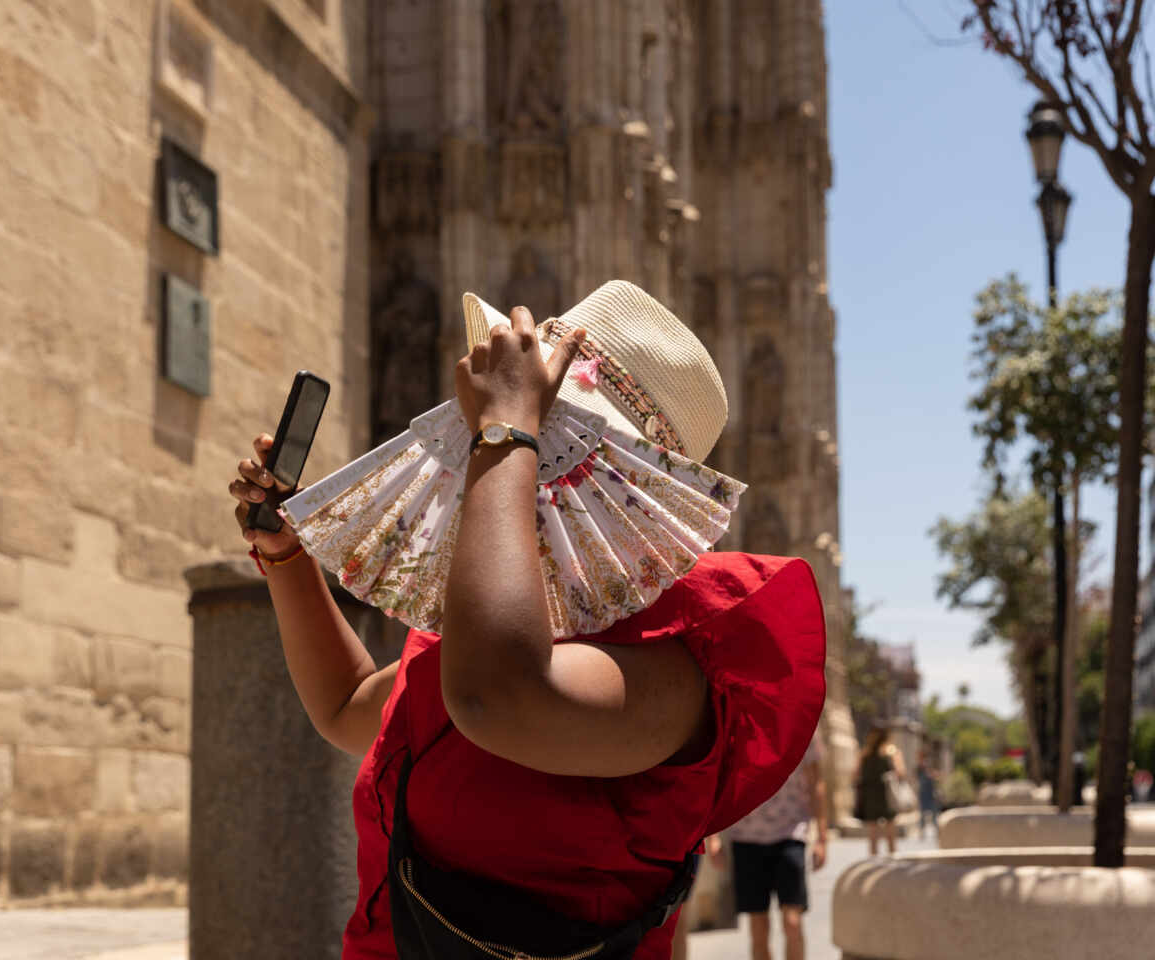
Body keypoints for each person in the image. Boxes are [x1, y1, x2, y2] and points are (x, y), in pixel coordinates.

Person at [228, 286, 828, 959]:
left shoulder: (672, 668)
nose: (468, 420)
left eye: (537, 415)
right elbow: (348, 707)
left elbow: (497, 696)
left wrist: (506, 430)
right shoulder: (492, 626)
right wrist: (285, 554)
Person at [726, 736, 828, 960]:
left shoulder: (803, 723)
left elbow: (816, 783)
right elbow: (721, 779)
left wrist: (822, 837)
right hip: (746, 835)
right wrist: (713, 838)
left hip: (791, 832)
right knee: (758, 927)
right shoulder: (739, 721)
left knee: (792, 922)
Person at [855, 728, 906, 856]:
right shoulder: (892, 752)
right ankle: (893, 862)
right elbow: (901, 772)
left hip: (870, 796)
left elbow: (855, 775)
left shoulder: (864, 754)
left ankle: (874, 863)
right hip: (887, 795)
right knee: (890, 833)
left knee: (873, 835)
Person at [916, 751, 940, 839]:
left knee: (934, 814)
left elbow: (935, 776)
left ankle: (937, 832)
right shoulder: (919, 767)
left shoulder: (929, 766)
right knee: (922, 815)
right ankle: (922, 832)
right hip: (923, 794)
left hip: (930, 793)